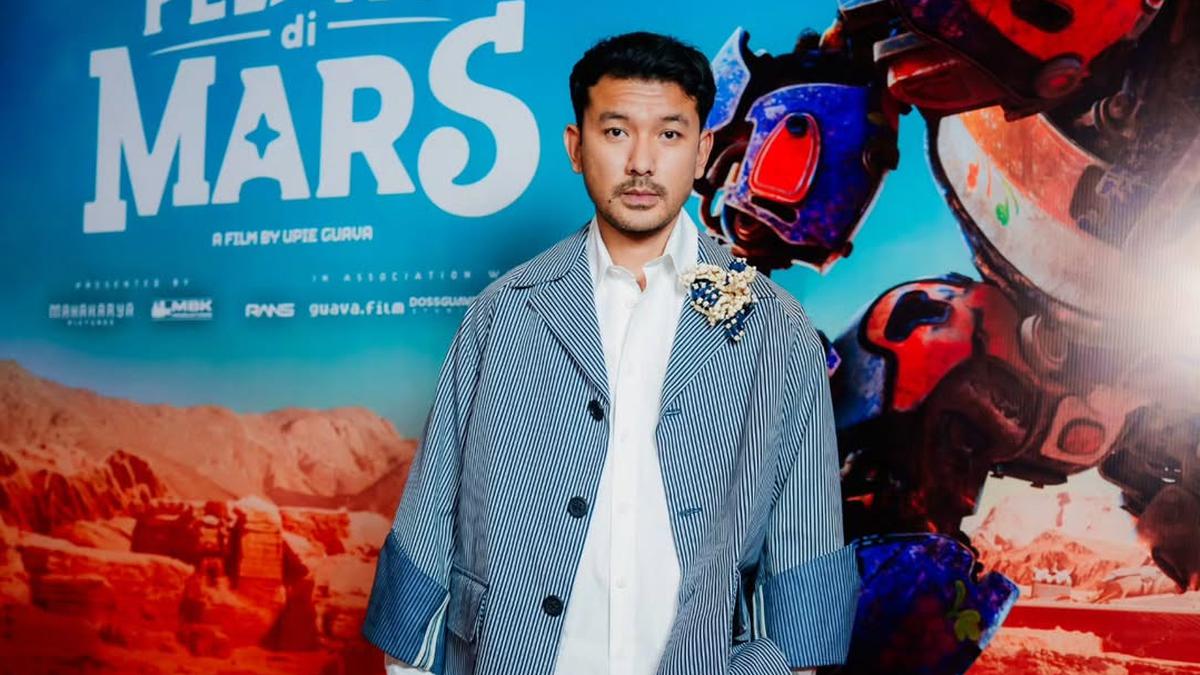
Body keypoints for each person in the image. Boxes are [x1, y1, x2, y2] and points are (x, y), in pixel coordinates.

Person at [364, 31, 859, 675]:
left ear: (703, 150)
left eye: (670, 134)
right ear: (577, 147)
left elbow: (806, 544)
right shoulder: (502, 313)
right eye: (617, 132)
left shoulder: (777, 327)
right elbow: (431, 516)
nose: (642, 163)